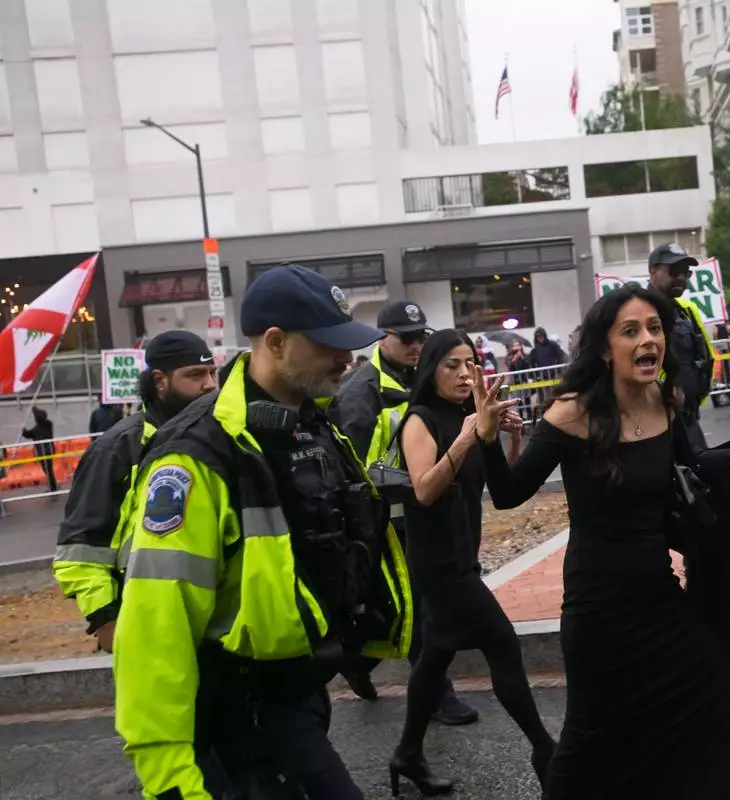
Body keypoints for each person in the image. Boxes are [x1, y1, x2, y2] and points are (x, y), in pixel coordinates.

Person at [477, 284, 730, 800]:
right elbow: (509, 493)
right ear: (605, 348)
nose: (647, 339)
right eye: (630, 330)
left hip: (659, 596)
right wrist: (485, 437)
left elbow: (687, 468)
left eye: (654, 328)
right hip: (598, 614)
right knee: (591, 743)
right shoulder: (571, 411)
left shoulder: (665, 401)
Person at [113, 266, 414, 799]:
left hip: (300, 690)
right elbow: (157, 624)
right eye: (329, 345)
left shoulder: (311, 421)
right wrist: (170, 778)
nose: (347, 359)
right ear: (275, 343)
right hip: (243, 709)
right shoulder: (197, 455)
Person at [388, 329, 554, 796]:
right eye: (452, 365)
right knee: (502, 642)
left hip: (465, 554)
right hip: (438, 563)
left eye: (470, 364)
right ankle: (546, 750)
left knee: (435, 657)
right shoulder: (420, 420)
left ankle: (406, 753)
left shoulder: (470, 418)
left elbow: (498, 495)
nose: (464, 374)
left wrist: (511, 440)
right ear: (430, 370)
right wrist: (466, 439)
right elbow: (424, 489)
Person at [332, 299, 479, 721]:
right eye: (406, 338)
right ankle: (438, 694)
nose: (416, 345)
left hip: (431, 508)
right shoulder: (363, 391)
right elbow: (353, 465)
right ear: (383, 337)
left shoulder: (426, 375)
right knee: (422, 606)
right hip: (391, 516)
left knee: (408, 605)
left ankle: (358, 663)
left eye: (421, 337)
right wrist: (408, 486)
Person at [53, 331, 217, 654]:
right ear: (159, 381)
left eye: (213, 373)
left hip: (220, 630)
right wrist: (108, 624)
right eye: (196, 375)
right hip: (149, 633)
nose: (210, 384)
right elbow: (80, 551)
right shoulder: (115, 449)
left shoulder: (223, 436)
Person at [647, 243, 715, 450]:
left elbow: (705, 357)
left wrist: (694, 398)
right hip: (657, 421)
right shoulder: (638, 312)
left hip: (688, 417)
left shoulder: (686, 310)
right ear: (653, 272)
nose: (680, 278)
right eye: (674, 271)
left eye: (686, 273)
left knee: (703, 476)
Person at [22, 407, 57, 492]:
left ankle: (53, 487)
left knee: (48, 469)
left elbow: (39, 417)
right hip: (42, 452)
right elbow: (28, 435)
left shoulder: (47, 424)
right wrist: (24, 431)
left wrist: (33, 409)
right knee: (46, 469)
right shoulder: (36, 428)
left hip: (47, 451)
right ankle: (52, 485)